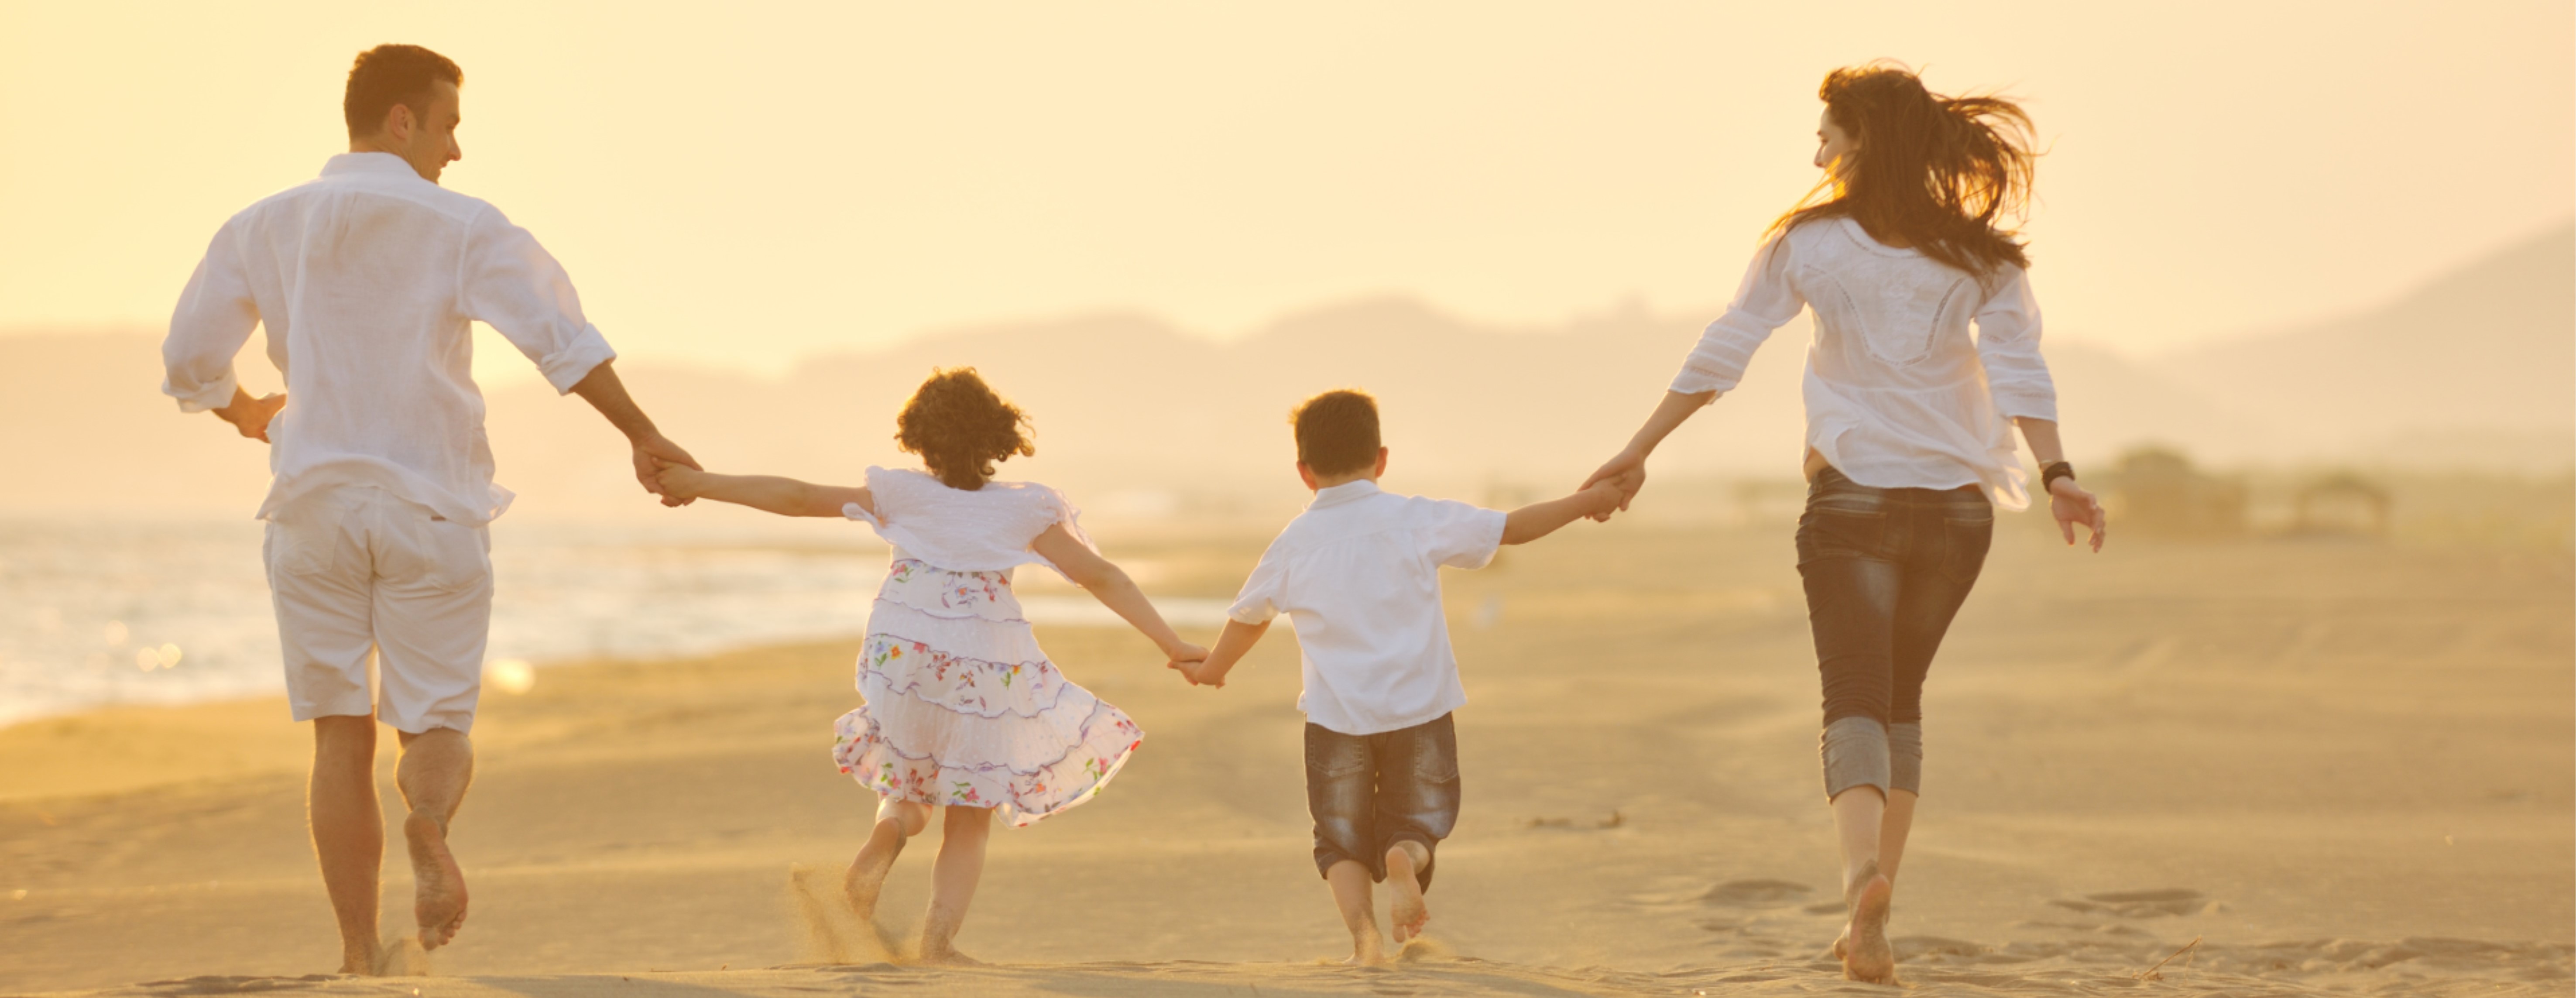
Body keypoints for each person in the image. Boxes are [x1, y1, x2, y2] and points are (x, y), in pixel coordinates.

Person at [158, 44, 699, 973]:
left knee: (339, 730)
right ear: (402, 119)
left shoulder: (263, 225)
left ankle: (360, 954)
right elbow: (563, 344)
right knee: (437, 726)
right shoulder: (465, 226)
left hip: (313, 505)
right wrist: (643, 435)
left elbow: (187, 361)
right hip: (431, 505)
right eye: (449, 125)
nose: (456, 151)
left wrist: (245, 411)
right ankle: (429, 818)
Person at [1579, 62, 2110, 984]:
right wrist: (2059, 474)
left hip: (1853, 498)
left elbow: (1728, 348)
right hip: (1954, 513)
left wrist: (1640, 447)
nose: (1814, 148)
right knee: (1900, 702)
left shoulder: (1809, 245)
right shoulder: (1985, 258)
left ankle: (1860, 877)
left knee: (1854, 698)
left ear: (1861, 137)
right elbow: (2023, 373)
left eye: (1826, 131)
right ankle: (1878, 907)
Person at [650, 367, 1201, 964]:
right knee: (968, 815)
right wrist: (1173, 645)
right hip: (987, 671)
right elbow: (1102, 576)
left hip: (905, 658)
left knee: (907, 781)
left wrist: (697, 482)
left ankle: (886, 837)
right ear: (999, 438)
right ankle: (938, 943)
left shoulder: (901, 493)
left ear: (917, 438)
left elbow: (796, 497)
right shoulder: (1028, 509)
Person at [1175, 389, 1622, 965]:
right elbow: (1511, 528)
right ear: (1381, 460)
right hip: (1421, 710)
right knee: (1418, 822)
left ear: (1304, 473)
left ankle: (1364, 938)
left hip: (1337, 720)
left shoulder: (1293, 543)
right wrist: (1588, 500)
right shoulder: (1414, 519)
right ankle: (1405, 859)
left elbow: (1249, 617)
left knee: (1338, 841)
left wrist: (1213, 668)